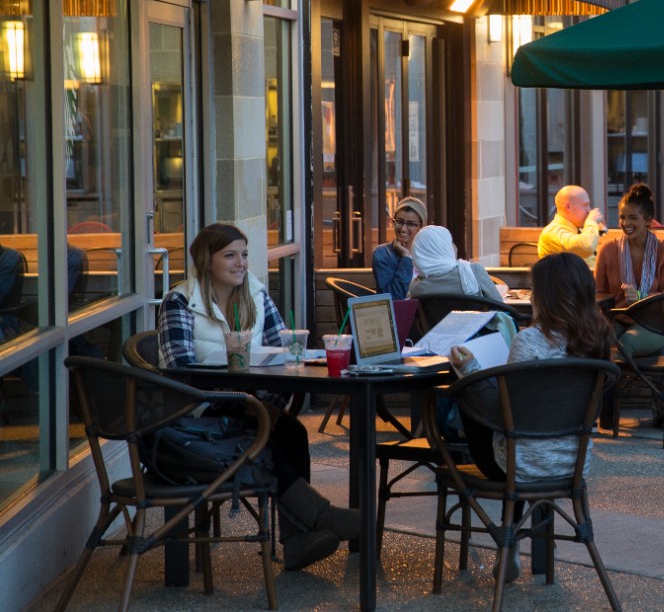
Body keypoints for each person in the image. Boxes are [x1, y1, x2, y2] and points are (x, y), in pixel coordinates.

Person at [158, 223, 360, 571]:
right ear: (207, 261)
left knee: (290, 431)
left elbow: (281, 350)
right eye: (230, 255)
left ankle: (297, 540)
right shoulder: (180, 301)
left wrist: (271, 406)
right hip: (197, 421)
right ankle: (317, 518)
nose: (241, 263)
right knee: (268, 437)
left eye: (245, 255)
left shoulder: (255, 293)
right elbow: (180, 373)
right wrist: (249, 405)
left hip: (246, 408)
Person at [449, 253, 613, 581]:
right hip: (572, 464)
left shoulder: (529, 342)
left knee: (474, 401)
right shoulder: (599, 340)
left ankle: (508, 543)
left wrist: (469, 370)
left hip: (518, 465)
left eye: (535, 291)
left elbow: (499, 414)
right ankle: (514, 545)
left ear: (547, 296)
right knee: (525, 429)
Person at [594, 183, 664, 357]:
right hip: (616, 319)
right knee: (592, 343)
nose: (626, 223)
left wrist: (640, 297)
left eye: (633, 217)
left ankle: (613, 384)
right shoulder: (608, 249)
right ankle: (605, 384)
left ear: (648, 220)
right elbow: (599, 294)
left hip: (655, 324)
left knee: (625, 344)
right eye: (622, 217)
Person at [407, 224, 504, 303]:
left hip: (438, 328)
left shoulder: (417, 288)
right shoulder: (473, 271)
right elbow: (500, 306)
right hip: (477, 326)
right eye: (449, 243)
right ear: (444, 248)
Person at [537, 184, 607, 269]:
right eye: (585, 205)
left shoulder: (578, 228)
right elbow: (585, 247)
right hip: (570, 281)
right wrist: (591, 222)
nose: (589, 210)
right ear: (568, 206)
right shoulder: (552, 232)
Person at [372, 196, 426, 299]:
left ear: (421, 227)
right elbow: (394, 298)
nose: (403, 229)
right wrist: (406, 258)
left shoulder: (427, 254)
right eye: (399, 222)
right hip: (401, 313)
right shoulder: (382, 254)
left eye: (411, 224)